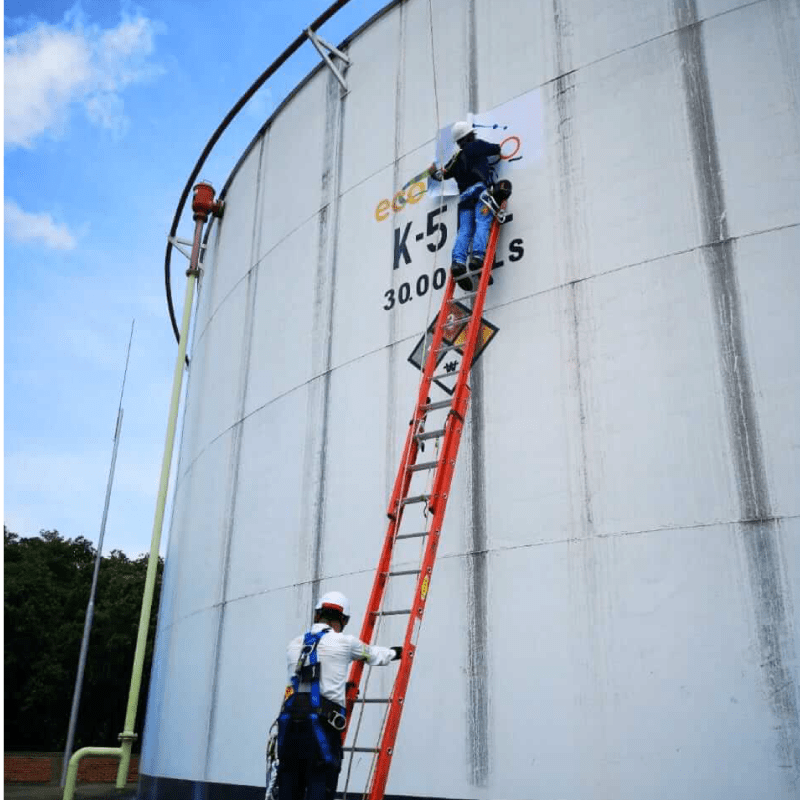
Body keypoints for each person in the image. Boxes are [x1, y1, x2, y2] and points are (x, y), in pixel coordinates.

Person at [276, 591, 401, 800]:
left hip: (288, 729)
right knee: (320, 784)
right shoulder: (345, 643)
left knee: (289, 789)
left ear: (317, 615)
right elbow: (373, 655)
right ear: (342, 620)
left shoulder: (293, 645)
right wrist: (396, 652)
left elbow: (311, 679)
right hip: (322, 731)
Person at [429, 121, 502, 290]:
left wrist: (432, 171)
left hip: (464, 198)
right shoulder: (477, 146)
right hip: (480, 193)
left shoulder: (455, 158)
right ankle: (477, 258)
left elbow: (441, 175)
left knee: (465, 231)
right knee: (483, 223)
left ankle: (458, 262)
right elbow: (496, 149)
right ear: (469, 136)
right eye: (472, 134)